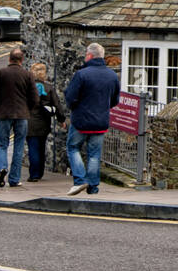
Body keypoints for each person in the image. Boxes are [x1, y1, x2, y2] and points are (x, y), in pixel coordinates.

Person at [64, 42, 120, 196]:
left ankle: (80, 180)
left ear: (89, 56)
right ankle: (93, 186)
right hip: (100, 121)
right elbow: (115, 100)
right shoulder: (112, 76)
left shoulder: (82, 74)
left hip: (81, 120)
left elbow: (70, 98)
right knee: (94, 154)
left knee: (73, 147)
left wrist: (74, 106)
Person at [0, 47, 40, 188]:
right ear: (22, 61)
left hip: (3, 114)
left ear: (9, 59)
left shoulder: (0, 73)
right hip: (22, 115)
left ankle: (2, 168)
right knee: (18, 146)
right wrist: (27, 109)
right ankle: (14, 179)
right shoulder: (27, 75)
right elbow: (35, 98)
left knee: (1, 144)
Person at [26, 62, 66, 182]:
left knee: (33, 148)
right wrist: (61, 119)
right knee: (41, 147)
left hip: (29, 122)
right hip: (43, 122)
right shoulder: (49, 88)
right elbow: (57, 104)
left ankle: (33, 174)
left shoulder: (27, 88)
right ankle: (39, 172)